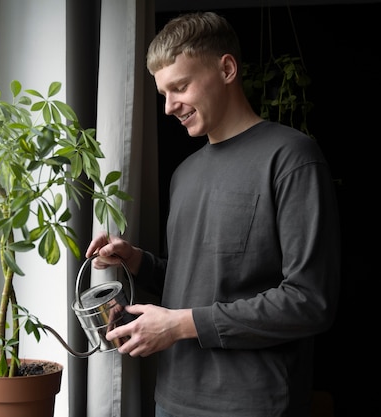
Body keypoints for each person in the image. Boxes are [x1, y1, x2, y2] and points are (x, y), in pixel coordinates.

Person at [86, 11, 340, 417]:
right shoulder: (184, 174)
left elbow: (310, 301)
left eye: (180, 87)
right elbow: (195, 284)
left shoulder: (291, 158)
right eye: (163, 94)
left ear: (226, 69)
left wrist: (180, 325)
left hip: (254, 405)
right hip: (170, 399)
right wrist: (135, 260)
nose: (169, 107)